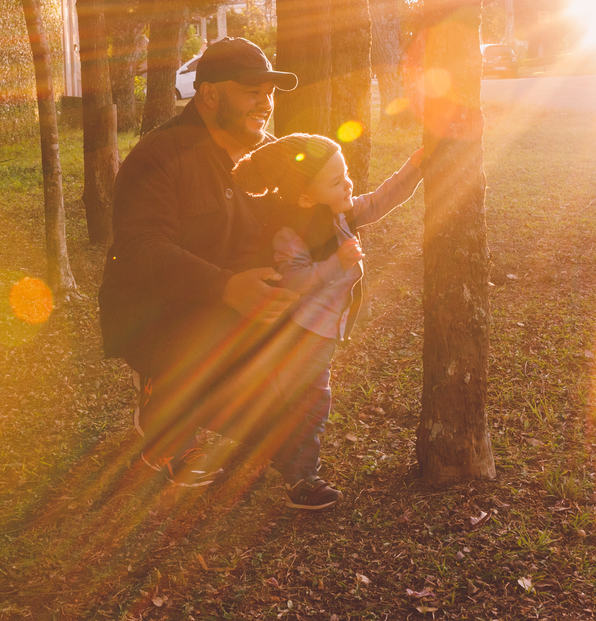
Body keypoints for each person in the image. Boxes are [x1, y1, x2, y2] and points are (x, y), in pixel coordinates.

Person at [100, 37, 341, 506]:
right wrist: (226, 286)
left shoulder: (270, 157)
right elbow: (138, 247)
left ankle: (295, 469)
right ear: (209, 96)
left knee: (289, 385)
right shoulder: (159, 156)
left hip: (246, 310)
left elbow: (301, 223)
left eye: (270, 93)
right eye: (252, 92)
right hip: (165, 314)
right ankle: (164, 409)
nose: (266, 104)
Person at [230, 134, 424, 508]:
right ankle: (302, 479)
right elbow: (293, 279)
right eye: (336, 181)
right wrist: (338, 262)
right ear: (305, 197)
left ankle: (280, 456)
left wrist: (414, 168)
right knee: (311, 402)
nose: (348, 184)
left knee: (297, 399)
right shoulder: (291, 232)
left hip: (318, 329)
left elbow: (381, 200)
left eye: (346, 173)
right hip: (299, 330)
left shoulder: (338, 211)